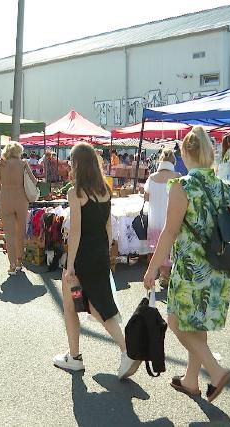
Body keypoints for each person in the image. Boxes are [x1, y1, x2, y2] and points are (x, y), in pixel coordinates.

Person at [143, 126, 230, 403]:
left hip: (191, 267)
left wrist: (152, 269)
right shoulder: (221, 186)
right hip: (218, 266)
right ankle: (191, 380)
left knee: (177, 322)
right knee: (198, 323)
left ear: (185, 154)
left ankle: (215, 371)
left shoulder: (182, 186)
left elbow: (170, 232)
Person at [52, 142, 136, 379]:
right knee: (88, 303)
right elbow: (108, 227)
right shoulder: (105, 190)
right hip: (99, 252)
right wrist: (105, 249)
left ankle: (84, 356)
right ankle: (78, 355)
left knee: (82, 305)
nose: (69, 164)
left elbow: (76, 231)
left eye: (71, 160)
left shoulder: (75, 192)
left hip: (83, 255)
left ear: (78, 164)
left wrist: (70, 265)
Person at [0, 142, 36, 274]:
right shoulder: (24, 163)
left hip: (6, 199)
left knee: (9, 234)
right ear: (19, 151)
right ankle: (20, 261)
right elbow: (34, 181)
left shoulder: (1, 164)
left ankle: (12, 265)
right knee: (20, 233)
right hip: (21, 199)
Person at [144, 148, 181, 287]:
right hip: (171, 218)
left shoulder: (152, 177)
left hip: (155, 219)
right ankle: (166, 275)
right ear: (173, 162)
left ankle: (162, 274)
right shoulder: (177, 176)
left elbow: (146, 197)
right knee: (170, 247)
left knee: (157, 248)